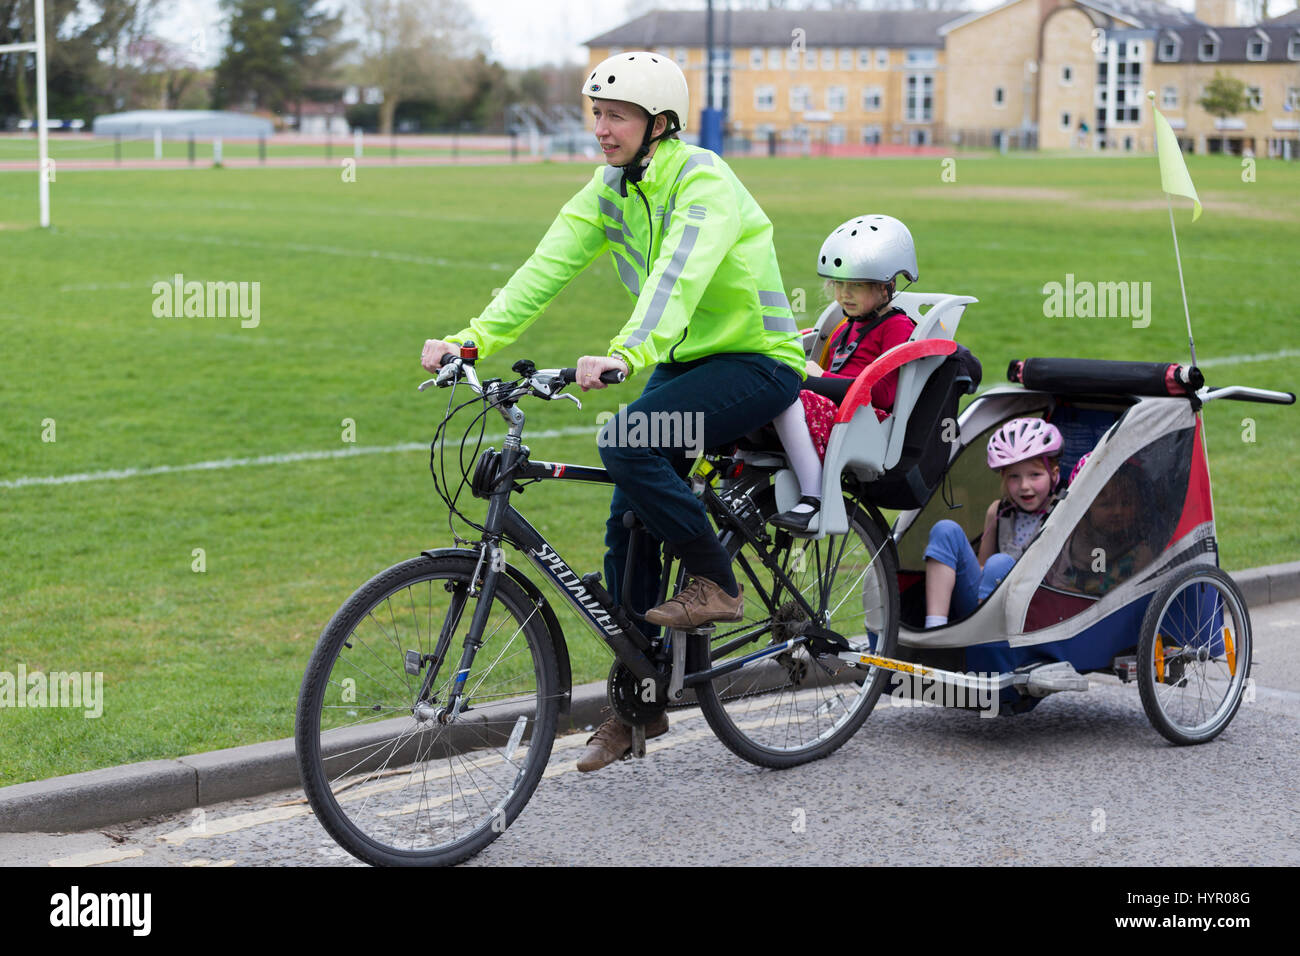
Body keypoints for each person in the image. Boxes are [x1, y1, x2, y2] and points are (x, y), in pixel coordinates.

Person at [419, 52, 804, 770]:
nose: (601, 127)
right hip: (689, 364)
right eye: (596, 112)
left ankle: (716, 582)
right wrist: (473, 341)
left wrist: (627, 351)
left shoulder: (704, 179)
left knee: (626, 441)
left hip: (757, 363)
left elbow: (678, 274)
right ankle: (638, 703)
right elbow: (544, 269)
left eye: (616, 114)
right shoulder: (610, 190)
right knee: (628, 513)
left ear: (660, 123)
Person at [767, 215, 918, 532]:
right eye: (839, 285)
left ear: (887, 286)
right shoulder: (846, 326)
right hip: (835, 407)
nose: (844, 294)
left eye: (857, 286)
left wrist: (818, 377)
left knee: (786, 398)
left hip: (865, 418)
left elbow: (885, 393)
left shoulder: (897, 326)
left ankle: (814, 499)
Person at [923, 418, 1063, 627]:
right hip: (982, 604)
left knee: (1000, 564)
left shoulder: (1061, 513)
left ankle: (984, 644)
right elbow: (982, 565)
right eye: (1014, 477)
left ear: (1054, 475)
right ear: (1003, 479)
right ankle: (934, 627)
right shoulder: (998, 511)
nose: (1024, 486)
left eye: (1035, 475)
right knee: (945, 530)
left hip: (1028, 616)